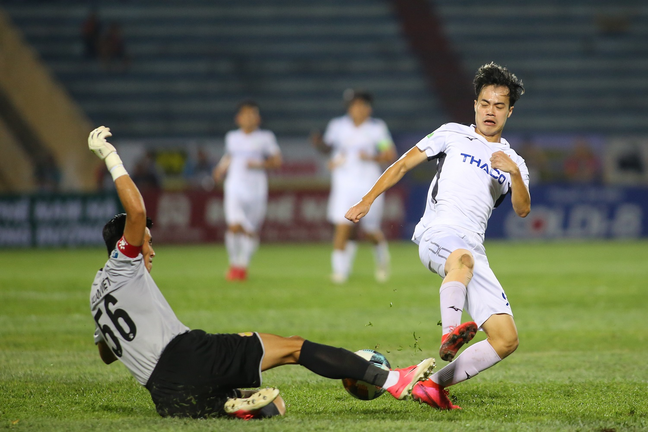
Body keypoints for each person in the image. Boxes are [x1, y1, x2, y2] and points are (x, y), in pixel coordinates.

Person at [87, 125, 435, 419]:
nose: (151, 250)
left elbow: (106, 353)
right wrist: (111, 156)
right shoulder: (124, 263)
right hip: (189, 355)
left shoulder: (96, 293)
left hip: (165, 396)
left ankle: (227, 404)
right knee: (294, 347)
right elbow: (136, 212)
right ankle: (393, 380)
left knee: (272, 403)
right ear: (124, 245)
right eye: (146, 242)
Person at [345, 62, 530, 410]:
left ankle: (432, 386)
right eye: (485, 103)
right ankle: (449, 333)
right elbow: (402, 164)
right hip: (438, 234)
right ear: (475, 105)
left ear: (509, 111)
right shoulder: (451, 134)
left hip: (473, 250)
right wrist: (367, 200)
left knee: (506, 339)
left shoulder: (513, 161)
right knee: (462, 260)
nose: (490, 111)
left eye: (499, 105)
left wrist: (515, 174)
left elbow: (523, 209)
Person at [312, 90, 397, 284]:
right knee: (342, 225)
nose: (358, 109)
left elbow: (389, 153)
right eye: (354, 105)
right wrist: (318, 143)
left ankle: (382, 259)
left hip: (369, 185)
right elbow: (328, 147)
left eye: (362, 105)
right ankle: (340, 272)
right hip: (343, 183)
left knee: (369, 230)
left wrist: (371, 157)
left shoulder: (376, 128)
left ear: (369, 108)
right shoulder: (337, 126)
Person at [212, 100, 281, 281]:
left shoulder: (266, 137)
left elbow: (277, 161)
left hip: (257, 189)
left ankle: (243, 265)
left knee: (251, 230)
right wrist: (220, 169)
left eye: (253, 114)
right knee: (234, 225)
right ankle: (233, 263)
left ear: (258, 118)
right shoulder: (232, 137)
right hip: (234, 186)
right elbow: (229, 156)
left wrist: (260, 164)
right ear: (238, 118)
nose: (249, 118)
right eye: (246, 114)